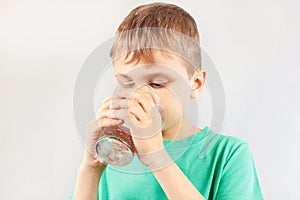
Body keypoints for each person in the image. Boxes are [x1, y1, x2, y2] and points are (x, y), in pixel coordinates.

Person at [68, 2, 264, 200]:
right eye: (126, 83)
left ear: (195, 83)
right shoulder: (114, 156)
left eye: (156, 83)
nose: (138, 96)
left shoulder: (228, 155)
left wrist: (157, 157)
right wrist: (90, 170)